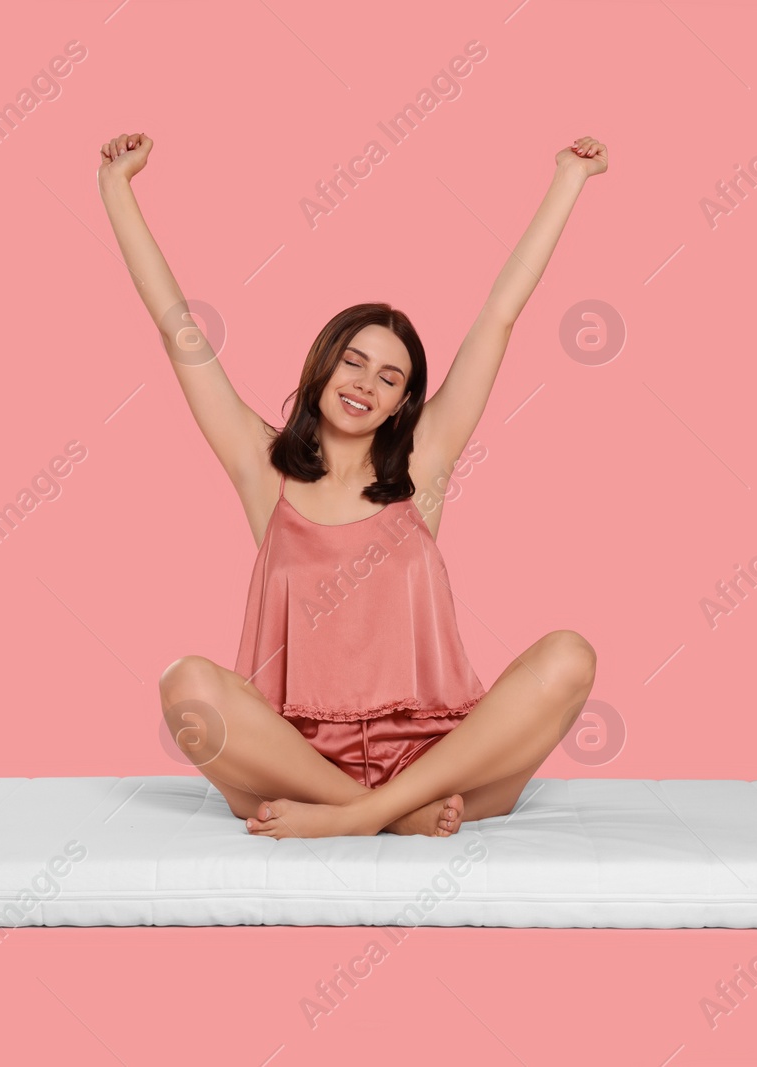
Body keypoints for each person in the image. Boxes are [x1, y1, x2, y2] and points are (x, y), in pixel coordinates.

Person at [97, 130, 608, 839]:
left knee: (569, 656)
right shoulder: (261, 464)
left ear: (403, 403)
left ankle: (363, 814)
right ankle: (377, 812)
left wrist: (568, 180)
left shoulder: (422, 466)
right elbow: (176, 326)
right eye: (355, 363)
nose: (366, 384)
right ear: (323, 366)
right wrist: (116, 190)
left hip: (438, 761)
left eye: (390, 377)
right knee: (184, 684)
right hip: (293, 762)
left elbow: (500, 314)